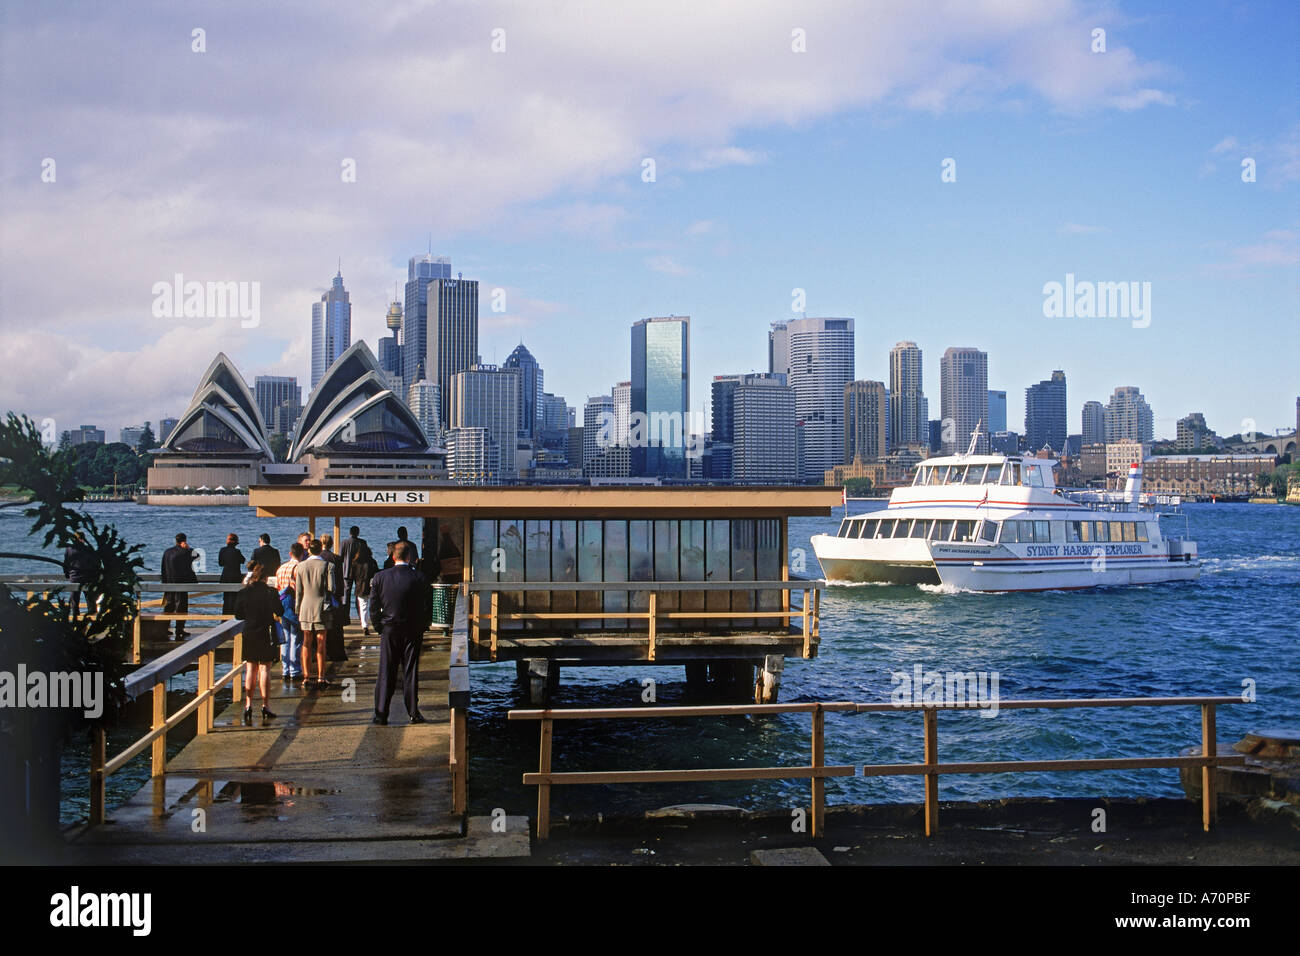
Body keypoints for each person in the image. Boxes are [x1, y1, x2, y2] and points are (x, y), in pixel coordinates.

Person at [369, 540, 431, 725]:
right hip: (412, 630)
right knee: (410, 671)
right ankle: (413, 712)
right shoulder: (419, 577)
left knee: (386, 670)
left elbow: (373, 606)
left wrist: (378, 626)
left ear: (393, 556)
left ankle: (381, 713)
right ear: (409, 557)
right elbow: (427, 606)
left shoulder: (380, 577)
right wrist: (422, 625)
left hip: (389, 629)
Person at [233, 561, 280, 726]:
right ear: (266, 578)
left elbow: (238, 615)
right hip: (266, 632)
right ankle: (265, 705)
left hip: (249, 631)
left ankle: (248, 705)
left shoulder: (243, 593)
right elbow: (280, 611)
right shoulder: (271, 592)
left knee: (250, 668)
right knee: (265, 668)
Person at [294, 539, 334, 687]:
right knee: (321, 642)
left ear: (309, 551)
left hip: (305, 606)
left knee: (306, 642)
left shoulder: (301, 566)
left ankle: (306, 677)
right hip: (321, 607)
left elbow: (298, 591)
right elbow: (332, 588)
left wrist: (297, 609)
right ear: (320, 551)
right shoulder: (328, 566)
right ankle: (321, 676)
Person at [274, 542, 306, 682]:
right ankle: (295, 669)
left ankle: (285, 668)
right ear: (302, 554)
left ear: (290, 553)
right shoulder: (299, 568)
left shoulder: (281, 568)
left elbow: (277, 588)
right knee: (296, 638)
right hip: (294, 605)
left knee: (285, 638)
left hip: (282, 605)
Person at [160, 532, 200, 640]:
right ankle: (179, 630)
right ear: (184, 541)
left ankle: (164, 629)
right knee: (181, 606)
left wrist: (164, 582)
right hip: (181, 583)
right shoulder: (185, 552)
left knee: (168, 606)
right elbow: (197, 556)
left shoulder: (167, 552)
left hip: (169, 583)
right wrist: (188, 548)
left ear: (175, 540)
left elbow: (163, 568)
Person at [320, 534, 348, 664]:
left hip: (320, 595)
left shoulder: (317, 558)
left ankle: (322, 651)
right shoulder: (336, 558)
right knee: (336, 627)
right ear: (331, 544)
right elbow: (340, 580)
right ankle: (336, 652)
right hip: (334, 596)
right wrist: (341, 595)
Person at [62, 530, 99, 618]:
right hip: (87, 576)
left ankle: (75, 614)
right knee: (89, 596)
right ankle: (92, 613)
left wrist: (67, 574)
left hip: (74, 576)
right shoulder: (88, 549)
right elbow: (94, 563)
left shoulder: (69, 549)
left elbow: (65, 563)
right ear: (83, 539)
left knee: (74, 597)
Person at [338, 525, 368, 620]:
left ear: (350, 533)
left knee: (346, 595)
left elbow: (340, 558)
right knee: (359, 594)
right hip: (360, 572)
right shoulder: (362, 543)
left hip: (347, 571)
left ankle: (345, 616)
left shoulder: (344, 543)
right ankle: (361, 616)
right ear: (358, 533)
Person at [353, 541, 378, 636]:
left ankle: (365, 626)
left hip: (360, 587)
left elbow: (352, 575)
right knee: (373, 606)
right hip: (371, 586)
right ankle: (376, 623)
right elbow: (376, 573)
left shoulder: (355, 562)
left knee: (363, 607)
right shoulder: (372, 561)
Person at [218, 533, 245, 616]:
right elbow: (243, 560)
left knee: (226, 599)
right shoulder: (237, 551)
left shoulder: (222, 550)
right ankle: (233, 618)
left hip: (225, 577)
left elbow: (220, 563)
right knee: (234, 599)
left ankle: (224, 618)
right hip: (235, 577)